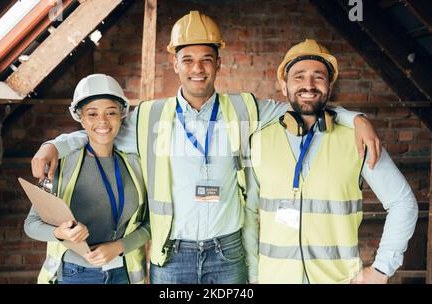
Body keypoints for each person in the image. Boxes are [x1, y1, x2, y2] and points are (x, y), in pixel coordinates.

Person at [30, 12, 381, 284]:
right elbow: (100, 128)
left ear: (218, 63)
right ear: (175, 64)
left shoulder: (246, 108)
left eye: (206, 59)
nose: (197, 69)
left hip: (227, 253)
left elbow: (304, 104)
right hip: (171, 256)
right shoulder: (149, 117)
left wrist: (355, 117)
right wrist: (54, 144)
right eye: (188, 60)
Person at [243, 39, 418, 284]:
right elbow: (248, 213)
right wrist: (253, 276)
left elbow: (403, 203)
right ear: (283, 86)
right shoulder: (259, 140)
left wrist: (381, 270)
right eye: (299, 76)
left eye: (318, 77)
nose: (309, 85)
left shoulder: (357, 139)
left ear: (329, 85)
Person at [24, 74, 150, 284]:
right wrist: (59, 232)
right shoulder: (62, 164)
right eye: (92, 114)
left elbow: (149, 224)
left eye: (111, 112)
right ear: (81, 118)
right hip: (75, 275)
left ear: (121, 116)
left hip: (123, 274)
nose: (102, 121)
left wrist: (119, 246)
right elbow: (31, 224)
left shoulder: (136, 164)